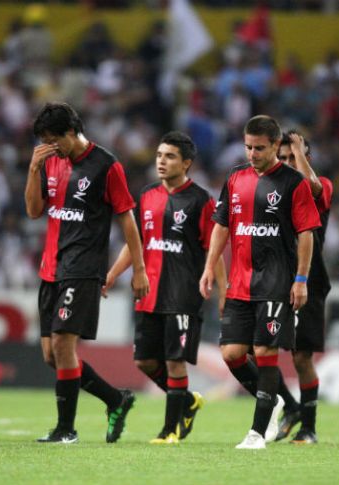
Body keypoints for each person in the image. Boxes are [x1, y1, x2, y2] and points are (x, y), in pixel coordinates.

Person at [24, 102, 149, 444]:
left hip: (83, 267)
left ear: (71, 132)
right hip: (51, 267)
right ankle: (115, 399)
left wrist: (138, 270)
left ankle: (66, 429)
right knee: (52, 356)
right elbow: (35, 211)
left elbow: (127, 218)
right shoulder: (49, 161)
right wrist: (33, 169)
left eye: (54, 139)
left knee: (64, 344)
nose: (50, 146)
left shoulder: (106, 165)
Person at [200, 115, 321, 449]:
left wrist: (301, 279)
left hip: (276, 282)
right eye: (248, 147)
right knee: (232, 353)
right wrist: (210, 266)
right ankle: (276, 401)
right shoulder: (235, 178)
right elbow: (222, 225)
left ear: (275, 144)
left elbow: (307, 233)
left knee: (265, 350)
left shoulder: (293, 183)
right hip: (240, 281)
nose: (252, 153)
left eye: (260, 148)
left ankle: (257, 431)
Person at [104, 131, 227, 444]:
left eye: (170, 156)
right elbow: (137, 243)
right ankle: (187, 402)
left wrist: (223, 289)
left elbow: (214, 247)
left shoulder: (201, 200)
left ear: (186, 163)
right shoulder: (146, 195)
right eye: (159, 155)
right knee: (144, 361)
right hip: (149, 292)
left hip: (182, 293)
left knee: (174, 361)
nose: (161, 161)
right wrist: (113, 273)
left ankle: (170, 430)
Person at [273, 131, 333, 445]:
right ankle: (290, 405)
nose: (285, 163)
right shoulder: (270, 188)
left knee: (301, 358)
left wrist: (298, 151)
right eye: (281, 157)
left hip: (309, 280)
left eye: (292, 157)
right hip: (272, 277)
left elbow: (312, 187)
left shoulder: (319, 185)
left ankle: (308, 428)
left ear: (306, 158)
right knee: (254, 349)